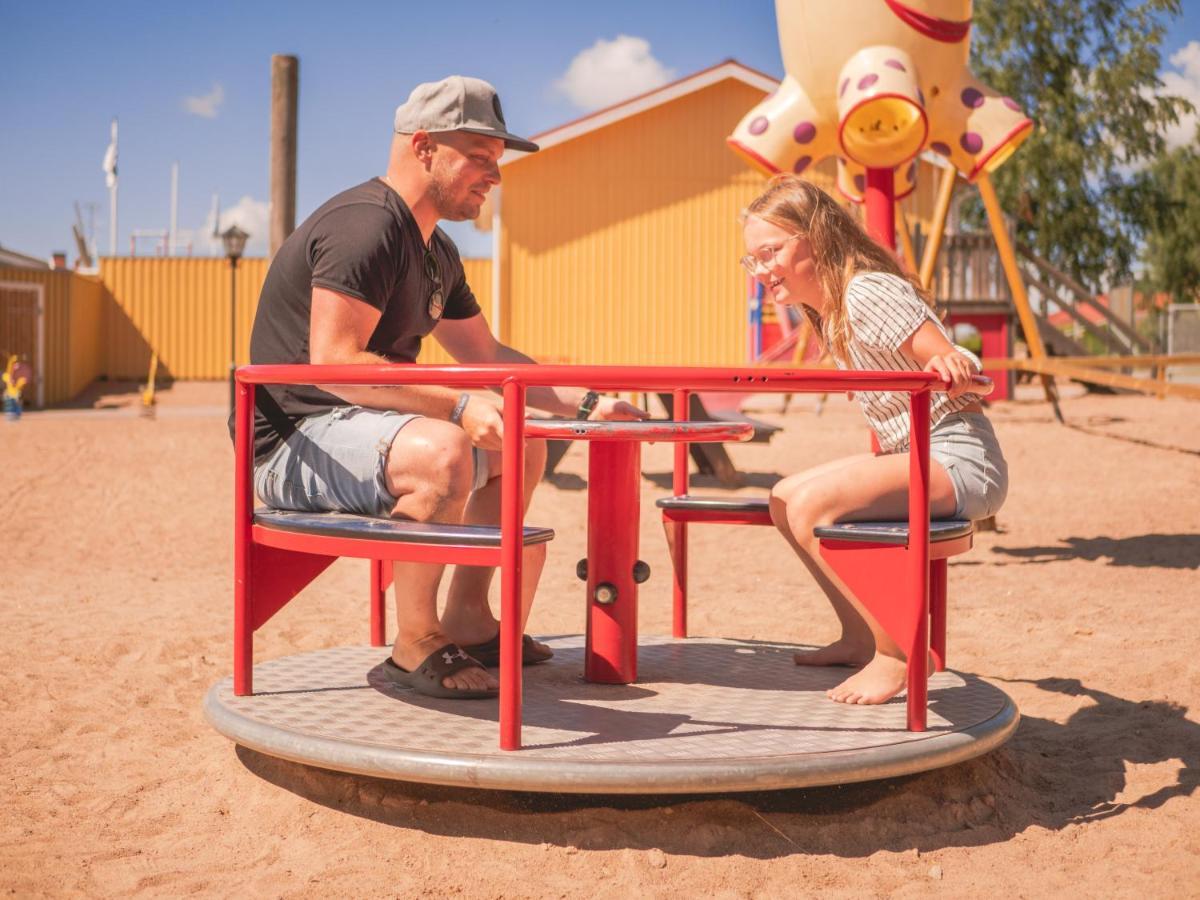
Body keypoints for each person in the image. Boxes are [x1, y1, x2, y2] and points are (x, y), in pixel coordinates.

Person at [241, 76, 645, 699]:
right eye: (480, 158)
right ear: (424, 147)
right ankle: (416, 644)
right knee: (446, 451)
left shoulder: (436, 251)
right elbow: (334, 362)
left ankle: (469, 618)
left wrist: (588, 401)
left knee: (524, 443)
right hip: (293, 443)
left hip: (363, 428)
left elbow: (485, 355)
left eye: (497, 161)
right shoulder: (365, 227)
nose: (495, 176)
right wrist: (456, 405)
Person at [741, 175, 1008, 706]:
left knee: (813, 505)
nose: (762, 270)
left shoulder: (867, 291)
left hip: (957, 456)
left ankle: (898, 654)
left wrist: (952, 363)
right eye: (753, 260)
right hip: (919, 454)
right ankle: (860, 635)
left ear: (814, 236)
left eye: (770, 252)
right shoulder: (830, 309)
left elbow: (950, 358)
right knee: (783, 497)